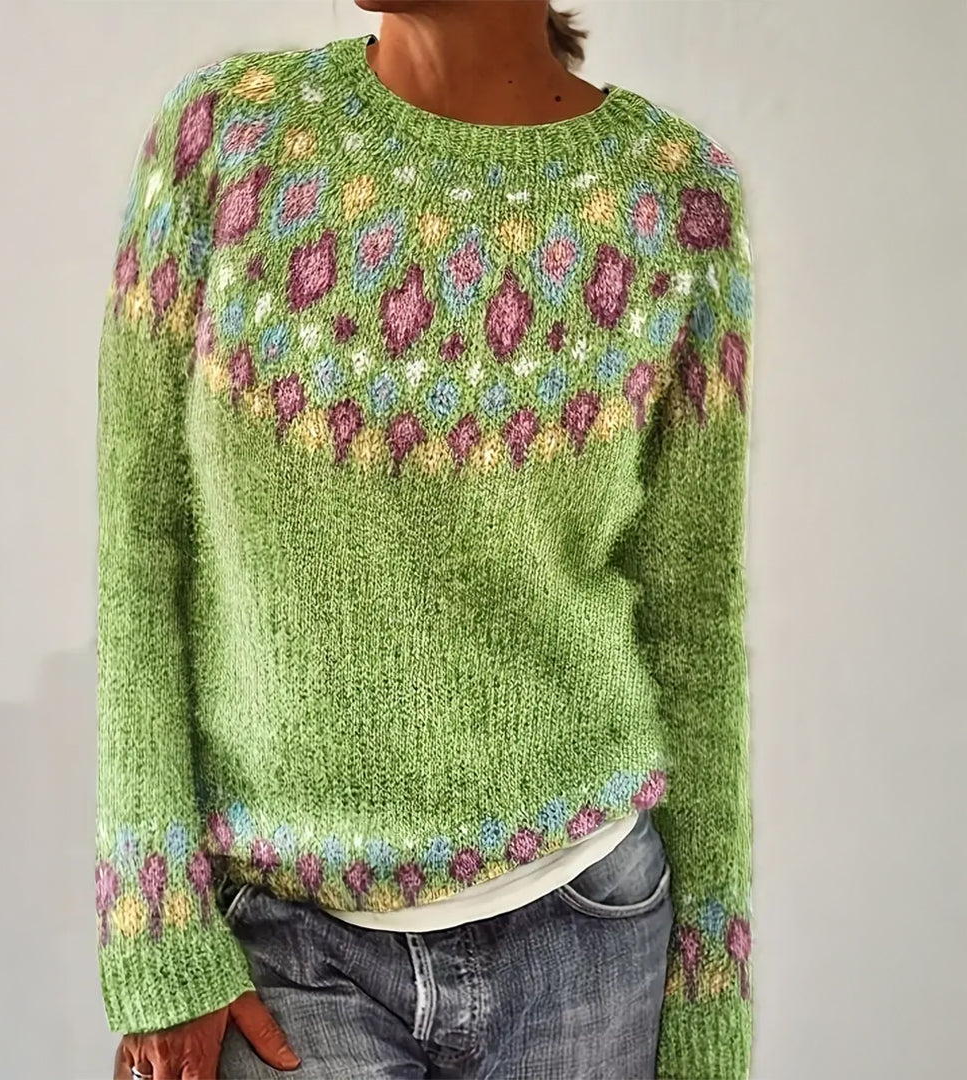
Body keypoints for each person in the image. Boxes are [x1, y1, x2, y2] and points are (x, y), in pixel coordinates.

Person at [94, 2, 756, 1078]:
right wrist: (155, 932)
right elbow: (140, 555)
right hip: (287, 952)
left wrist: (708, 1007)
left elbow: (693, 621)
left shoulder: (675, 206)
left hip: (589, 939)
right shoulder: (226, 142)